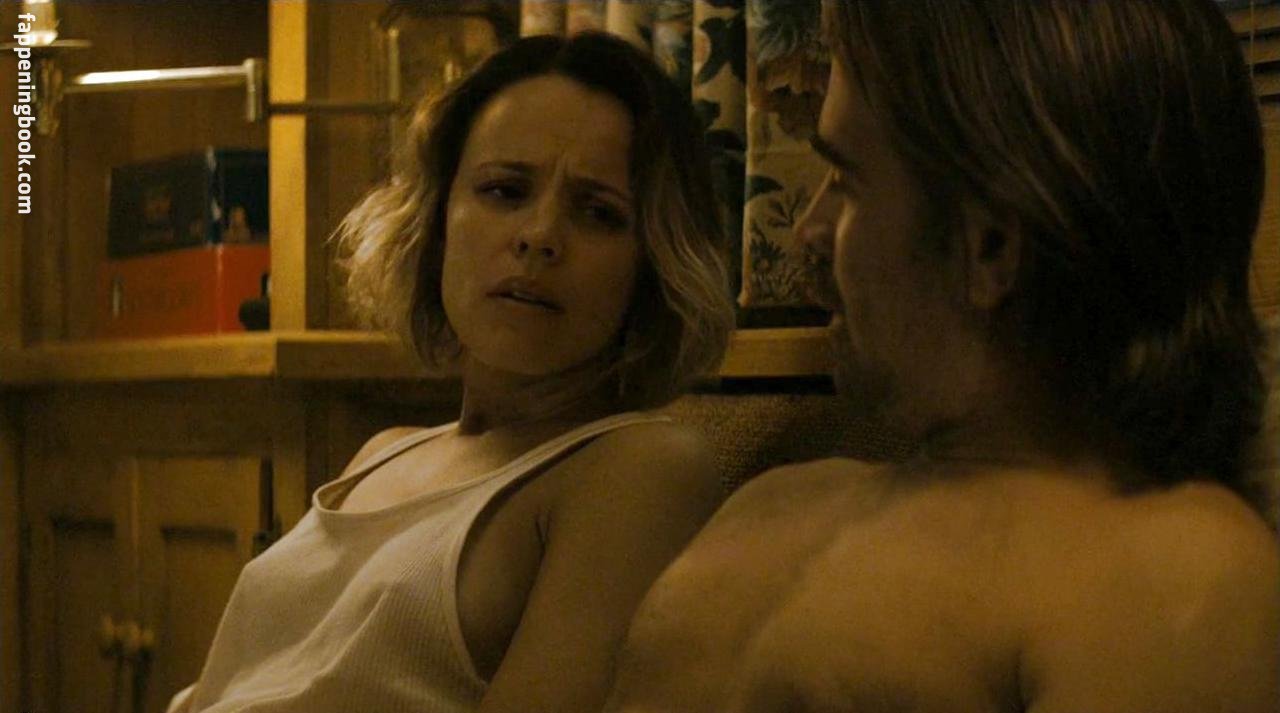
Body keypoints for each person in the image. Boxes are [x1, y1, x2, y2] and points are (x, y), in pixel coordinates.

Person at [605, 1, 1280, 710]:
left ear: (990, 247)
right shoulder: (773, 499)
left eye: (847, 182)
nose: (807, 231)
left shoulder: (1173, 572)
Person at [169, 31, 735, 713]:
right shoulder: (382, 452)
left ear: (653, 261)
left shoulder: (640, 467)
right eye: (504, 190)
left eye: (598, 212)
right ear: (438, 223)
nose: (539, 236)